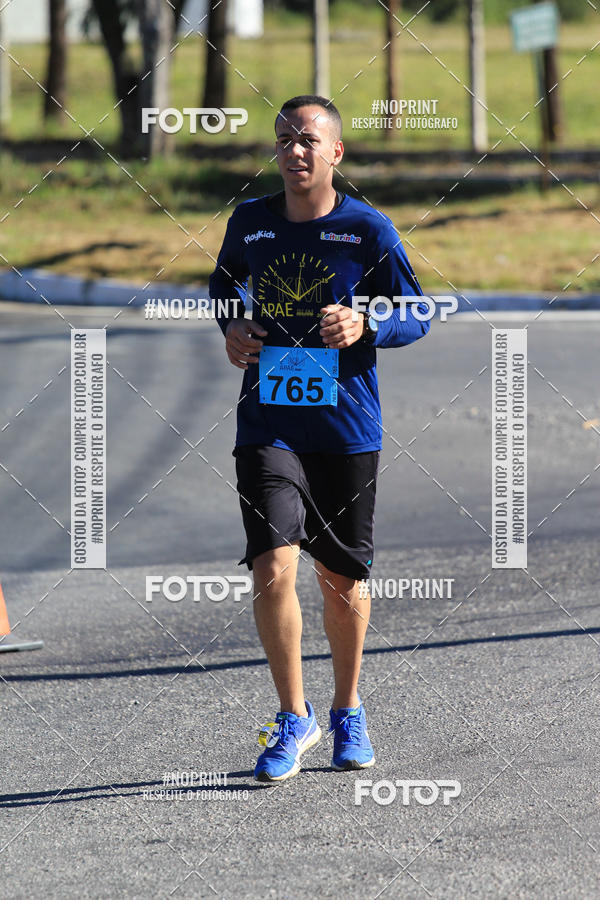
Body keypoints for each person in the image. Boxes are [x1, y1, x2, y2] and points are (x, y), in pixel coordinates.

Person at [209, 95, 430, 782]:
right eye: (283, 139)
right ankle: (292, 716)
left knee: (340, 580)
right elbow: (220, 285)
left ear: (335, 153)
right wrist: (232, 328)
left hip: (345, 427)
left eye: (308, 139)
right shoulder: (250, 222)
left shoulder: (367, 228)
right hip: (268, 423)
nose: (293, 150)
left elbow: (419, 309)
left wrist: (370, 326)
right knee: (273, 565)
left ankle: (346, 710)